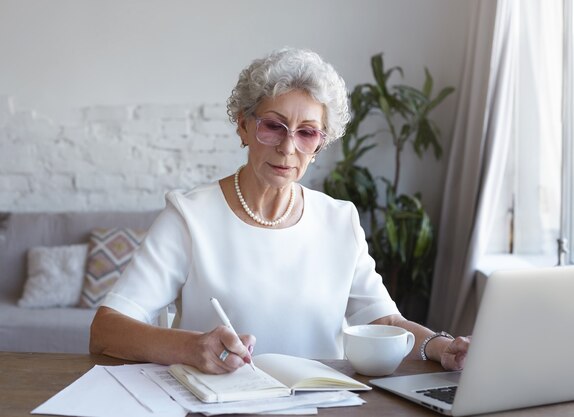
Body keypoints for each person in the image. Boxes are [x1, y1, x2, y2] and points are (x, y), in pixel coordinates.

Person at [90, 47, 470, 375]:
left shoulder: (340, 220)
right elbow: (105, 331)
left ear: (320, 143)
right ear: (243, 125)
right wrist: (191, 348)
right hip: (224, 405)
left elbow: (382, 320)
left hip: (323, 404)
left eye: (306, 133)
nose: (288, 147)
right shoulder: (190, 217)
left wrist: (441, 346)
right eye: (274, 126)